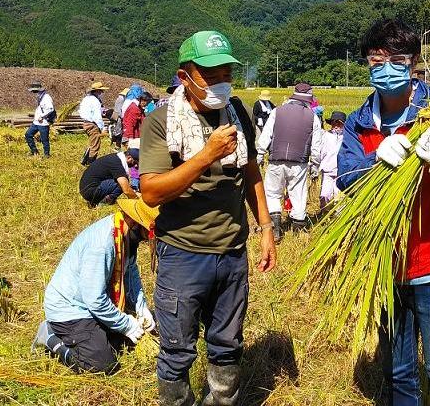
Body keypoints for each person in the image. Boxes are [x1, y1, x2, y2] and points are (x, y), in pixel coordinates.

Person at [336, 19, 430, 405]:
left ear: (415, 62)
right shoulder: (358, 123)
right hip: (386, 265)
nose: (386, 69)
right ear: (367, 65)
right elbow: (345, 177)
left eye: (397, 60)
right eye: (376, 61)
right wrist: (375, 160)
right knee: (399, 374)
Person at [139, 30, 277, 406]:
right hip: (183, 253)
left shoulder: (238, 114)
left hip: (232, 252)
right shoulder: (160, 122)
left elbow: (251, 174)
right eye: (210, 75)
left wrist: (265, 229)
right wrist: (205, 154)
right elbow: (151, 192)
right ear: (185, 77)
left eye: (227, 73)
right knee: (177, 350)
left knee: (227, 343)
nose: (221, 83)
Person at [31, 198, 159, 374]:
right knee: (102, 364)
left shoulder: (125, 234)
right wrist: (126, 325)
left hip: (91, 305)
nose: (147, 239)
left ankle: (98, 336)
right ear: (136, 223)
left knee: (125, 342)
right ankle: (50, 336)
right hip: (70, 310)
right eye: (147, 233)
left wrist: (141, 307)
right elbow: (95, 299)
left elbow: (130, 273)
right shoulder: (102, 245)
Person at [256, 82, 323, 241]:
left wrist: (259, 155)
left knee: (272, 193)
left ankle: (276, 229)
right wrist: (315, 166)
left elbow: (266, 136)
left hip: (275, 161)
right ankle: (298, 230)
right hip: (299, 163)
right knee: (298, 194)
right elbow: (316, 146)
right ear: (308, 99)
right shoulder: (313, 117)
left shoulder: (276, 111)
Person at [318, 111, 346, 208]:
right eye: (334, 123)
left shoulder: (346, 137)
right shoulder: (325, 136)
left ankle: (338, 217)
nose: (336, 125)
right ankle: (325, 215)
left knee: (339, 197)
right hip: (327, 169)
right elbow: (320, 151)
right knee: (324, 195)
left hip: (341, 171)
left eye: (339, 123)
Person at [79, 82, 109, 165]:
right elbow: (97, 117)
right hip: (92, 124)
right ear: (97, 91)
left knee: (92, 143)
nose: (102, 93)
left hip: (85, 123)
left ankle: (84, 161)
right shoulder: (95, 101)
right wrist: (102, 127)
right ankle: (90, 164)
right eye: (101, 91)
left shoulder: (86, 99)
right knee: (95, 145)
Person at [25, 81, 55, 158]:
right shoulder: (40, 95)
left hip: (43, 122)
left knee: (44, 140)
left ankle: (46, 155)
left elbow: (50, 109)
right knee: (28, 134)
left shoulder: (46, 97)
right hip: (36, 122)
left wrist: (42, 116)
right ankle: (34, 151)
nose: (32, 91)